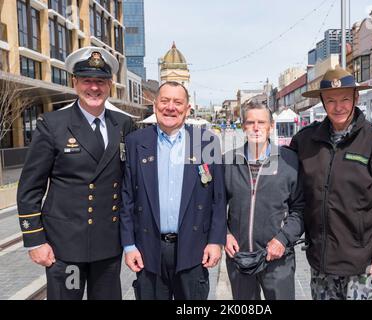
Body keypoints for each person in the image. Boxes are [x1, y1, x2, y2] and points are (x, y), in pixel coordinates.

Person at [16, 47, 135, 300]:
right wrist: (35, 240)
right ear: (75, 82)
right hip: (64, 246)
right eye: (87, 81)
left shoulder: (124, 125)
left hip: (108, 243)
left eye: (100, 81)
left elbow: (132, 182)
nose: (94, 88)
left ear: (110, 84)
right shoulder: (53, 125)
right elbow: (30, 188)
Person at [289, 66, 372, 300]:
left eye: (345, 99)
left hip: (360, 263)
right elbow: (286, 187)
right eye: (331, 100)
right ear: (322, 102)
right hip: (321, 260)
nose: (338, 107)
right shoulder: (305, 141)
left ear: (356, 97)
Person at [120, 81, 226, 300]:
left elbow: (218, 198)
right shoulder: (135, 142)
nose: (170, 107)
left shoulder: (207, 143)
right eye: (165, 100)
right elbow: (127, 197)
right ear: (155, 105)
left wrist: (215, 241)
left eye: (178, 102)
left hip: (193, 248)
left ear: (187, 109)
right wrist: (129, 245)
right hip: (148, 249)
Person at [224, 102, 305, 300]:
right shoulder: (228, 161)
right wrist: (223, 234)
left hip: (277, 259)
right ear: (243, 126)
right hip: (239, 259)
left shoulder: (289, 160)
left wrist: (283, 239)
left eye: (262, 122)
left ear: (271, 126)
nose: (256, 127)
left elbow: (301, 209)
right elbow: (215, 206)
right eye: (250, 122)